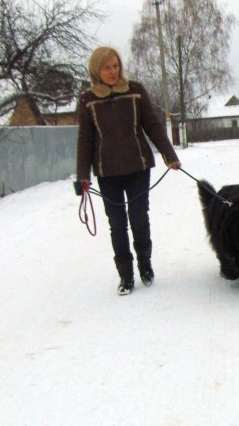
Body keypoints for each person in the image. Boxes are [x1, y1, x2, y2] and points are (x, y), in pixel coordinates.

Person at [76, 46, 181, 295]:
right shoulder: (87, 100)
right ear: (96, 71)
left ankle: (145, 264)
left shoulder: (135, 91)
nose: (113, 71)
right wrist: (83, 175)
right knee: (117, 224)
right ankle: (126, 275)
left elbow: (152, 125)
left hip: (138, 167)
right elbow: (85, 139)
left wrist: (169, 155)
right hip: (107, 172)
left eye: (115, 65)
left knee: (139, 218)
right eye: (107, 67)